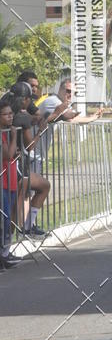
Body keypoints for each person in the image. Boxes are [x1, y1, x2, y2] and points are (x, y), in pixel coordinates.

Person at [9, 82, 50, 238]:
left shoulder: (6, 106)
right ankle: (20, 234)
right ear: (24, 99)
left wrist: (32, 120)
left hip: (10, 161)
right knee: (14, 207)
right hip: (15, 163)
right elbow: (30, 145)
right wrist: (40, 131)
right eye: (29, 99)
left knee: (42, 186)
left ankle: (27, 227)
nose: (30, 102)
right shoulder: (21, 117)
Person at [0, 98, 20, 269]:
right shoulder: (4, 134)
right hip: (3, 182)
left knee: (9, 219)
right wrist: (14, 136)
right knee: (4, 219)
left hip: (10, 180)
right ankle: (3, 254)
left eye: (10, 114)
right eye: (5, 115)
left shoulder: (6, 132)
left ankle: (6, 252)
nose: (10, 117)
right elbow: (8, 155)